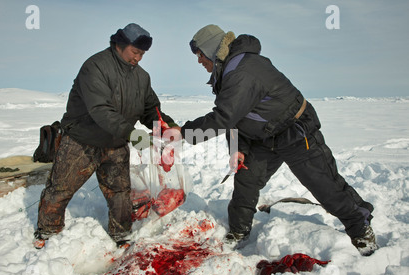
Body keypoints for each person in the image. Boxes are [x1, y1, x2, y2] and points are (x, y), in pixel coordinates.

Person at [174, 24, 377, 256]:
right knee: (247, 179)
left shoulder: (241, 70)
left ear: (210, 50)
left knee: (323, 184)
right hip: (264, 136)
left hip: (295, 130)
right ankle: (239, 231)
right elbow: (241, 116)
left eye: (200, 54)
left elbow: (224, 118)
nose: (199, 61)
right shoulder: (229, 69)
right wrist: (239, 148)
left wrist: (183, 133)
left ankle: (360, 227)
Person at [34, 23, 176, 249]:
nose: (138, 58)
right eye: (135, 52)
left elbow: (150, 108)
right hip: (82, 140)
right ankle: (47, 231)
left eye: (142, 54)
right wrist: (132, 133)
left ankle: (121, 234)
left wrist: (165, 125)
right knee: (60, 188)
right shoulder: (95, 67)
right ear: (120, 45)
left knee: (120, 191)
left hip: (116, 142)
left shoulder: (142, 77)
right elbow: (100, 109)